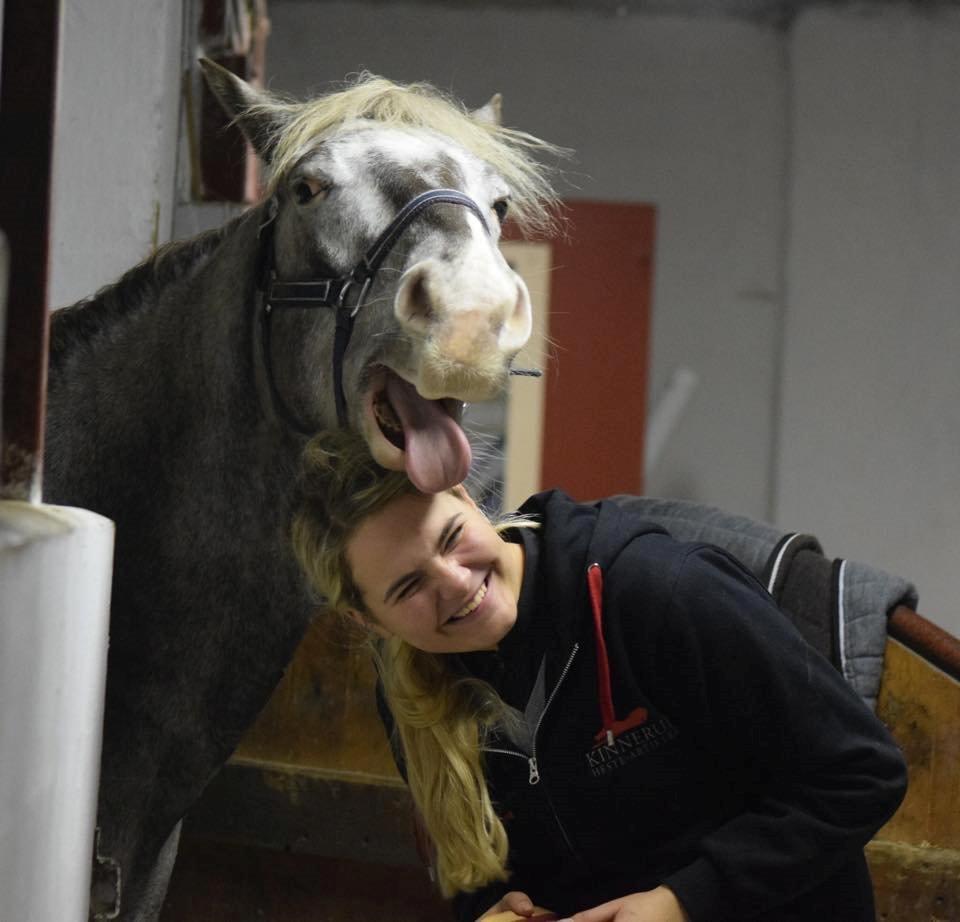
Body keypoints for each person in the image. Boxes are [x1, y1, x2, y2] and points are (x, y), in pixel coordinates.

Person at [290, 430, 908, 922]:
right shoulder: (410, 695)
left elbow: (862, 771)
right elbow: (484, 866)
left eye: (451, 538)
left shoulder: (658, 591)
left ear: (469, 499)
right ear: (367, 620)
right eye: (407, 586)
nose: (455, 582)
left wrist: (685, 900)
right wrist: (490, 908)